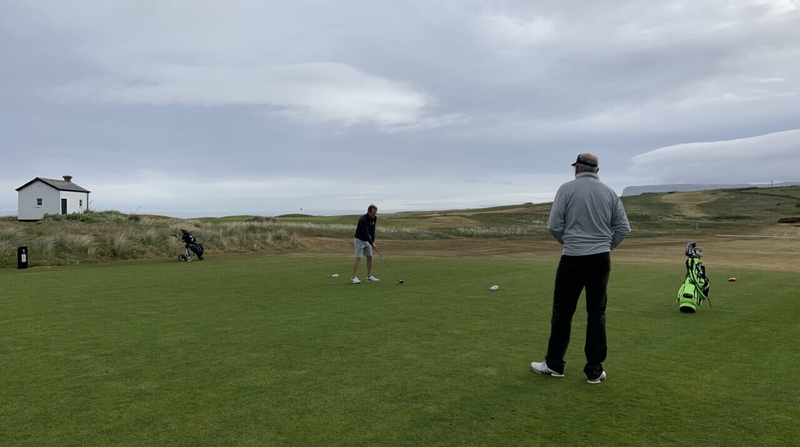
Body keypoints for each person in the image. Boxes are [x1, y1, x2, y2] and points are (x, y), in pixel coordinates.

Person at [531, 153, 630, 384]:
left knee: (563, 312)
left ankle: (554, 365)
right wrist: (606, 246)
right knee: (596, 313)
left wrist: (569, 243)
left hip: (573, 258)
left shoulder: (566, 189)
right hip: (601, 259)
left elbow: (554, 225)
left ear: (577, 169)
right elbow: (623, 229)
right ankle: (594, 371)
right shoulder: (609, 193)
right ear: (596, 170)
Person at [351, 204, 380, 284]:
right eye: (373, 213)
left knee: (370, 257)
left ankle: (369, 276)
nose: (374, 215)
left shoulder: (374, 218)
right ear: (369, 212)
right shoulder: (363, 220)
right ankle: (353, 277)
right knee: (358, 257)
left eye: (375, 213)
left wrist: (373, 242)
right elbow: (365, 233)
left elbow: (372, 231)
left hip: (367, 240)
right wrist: (372, 243)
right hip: (359, 240)